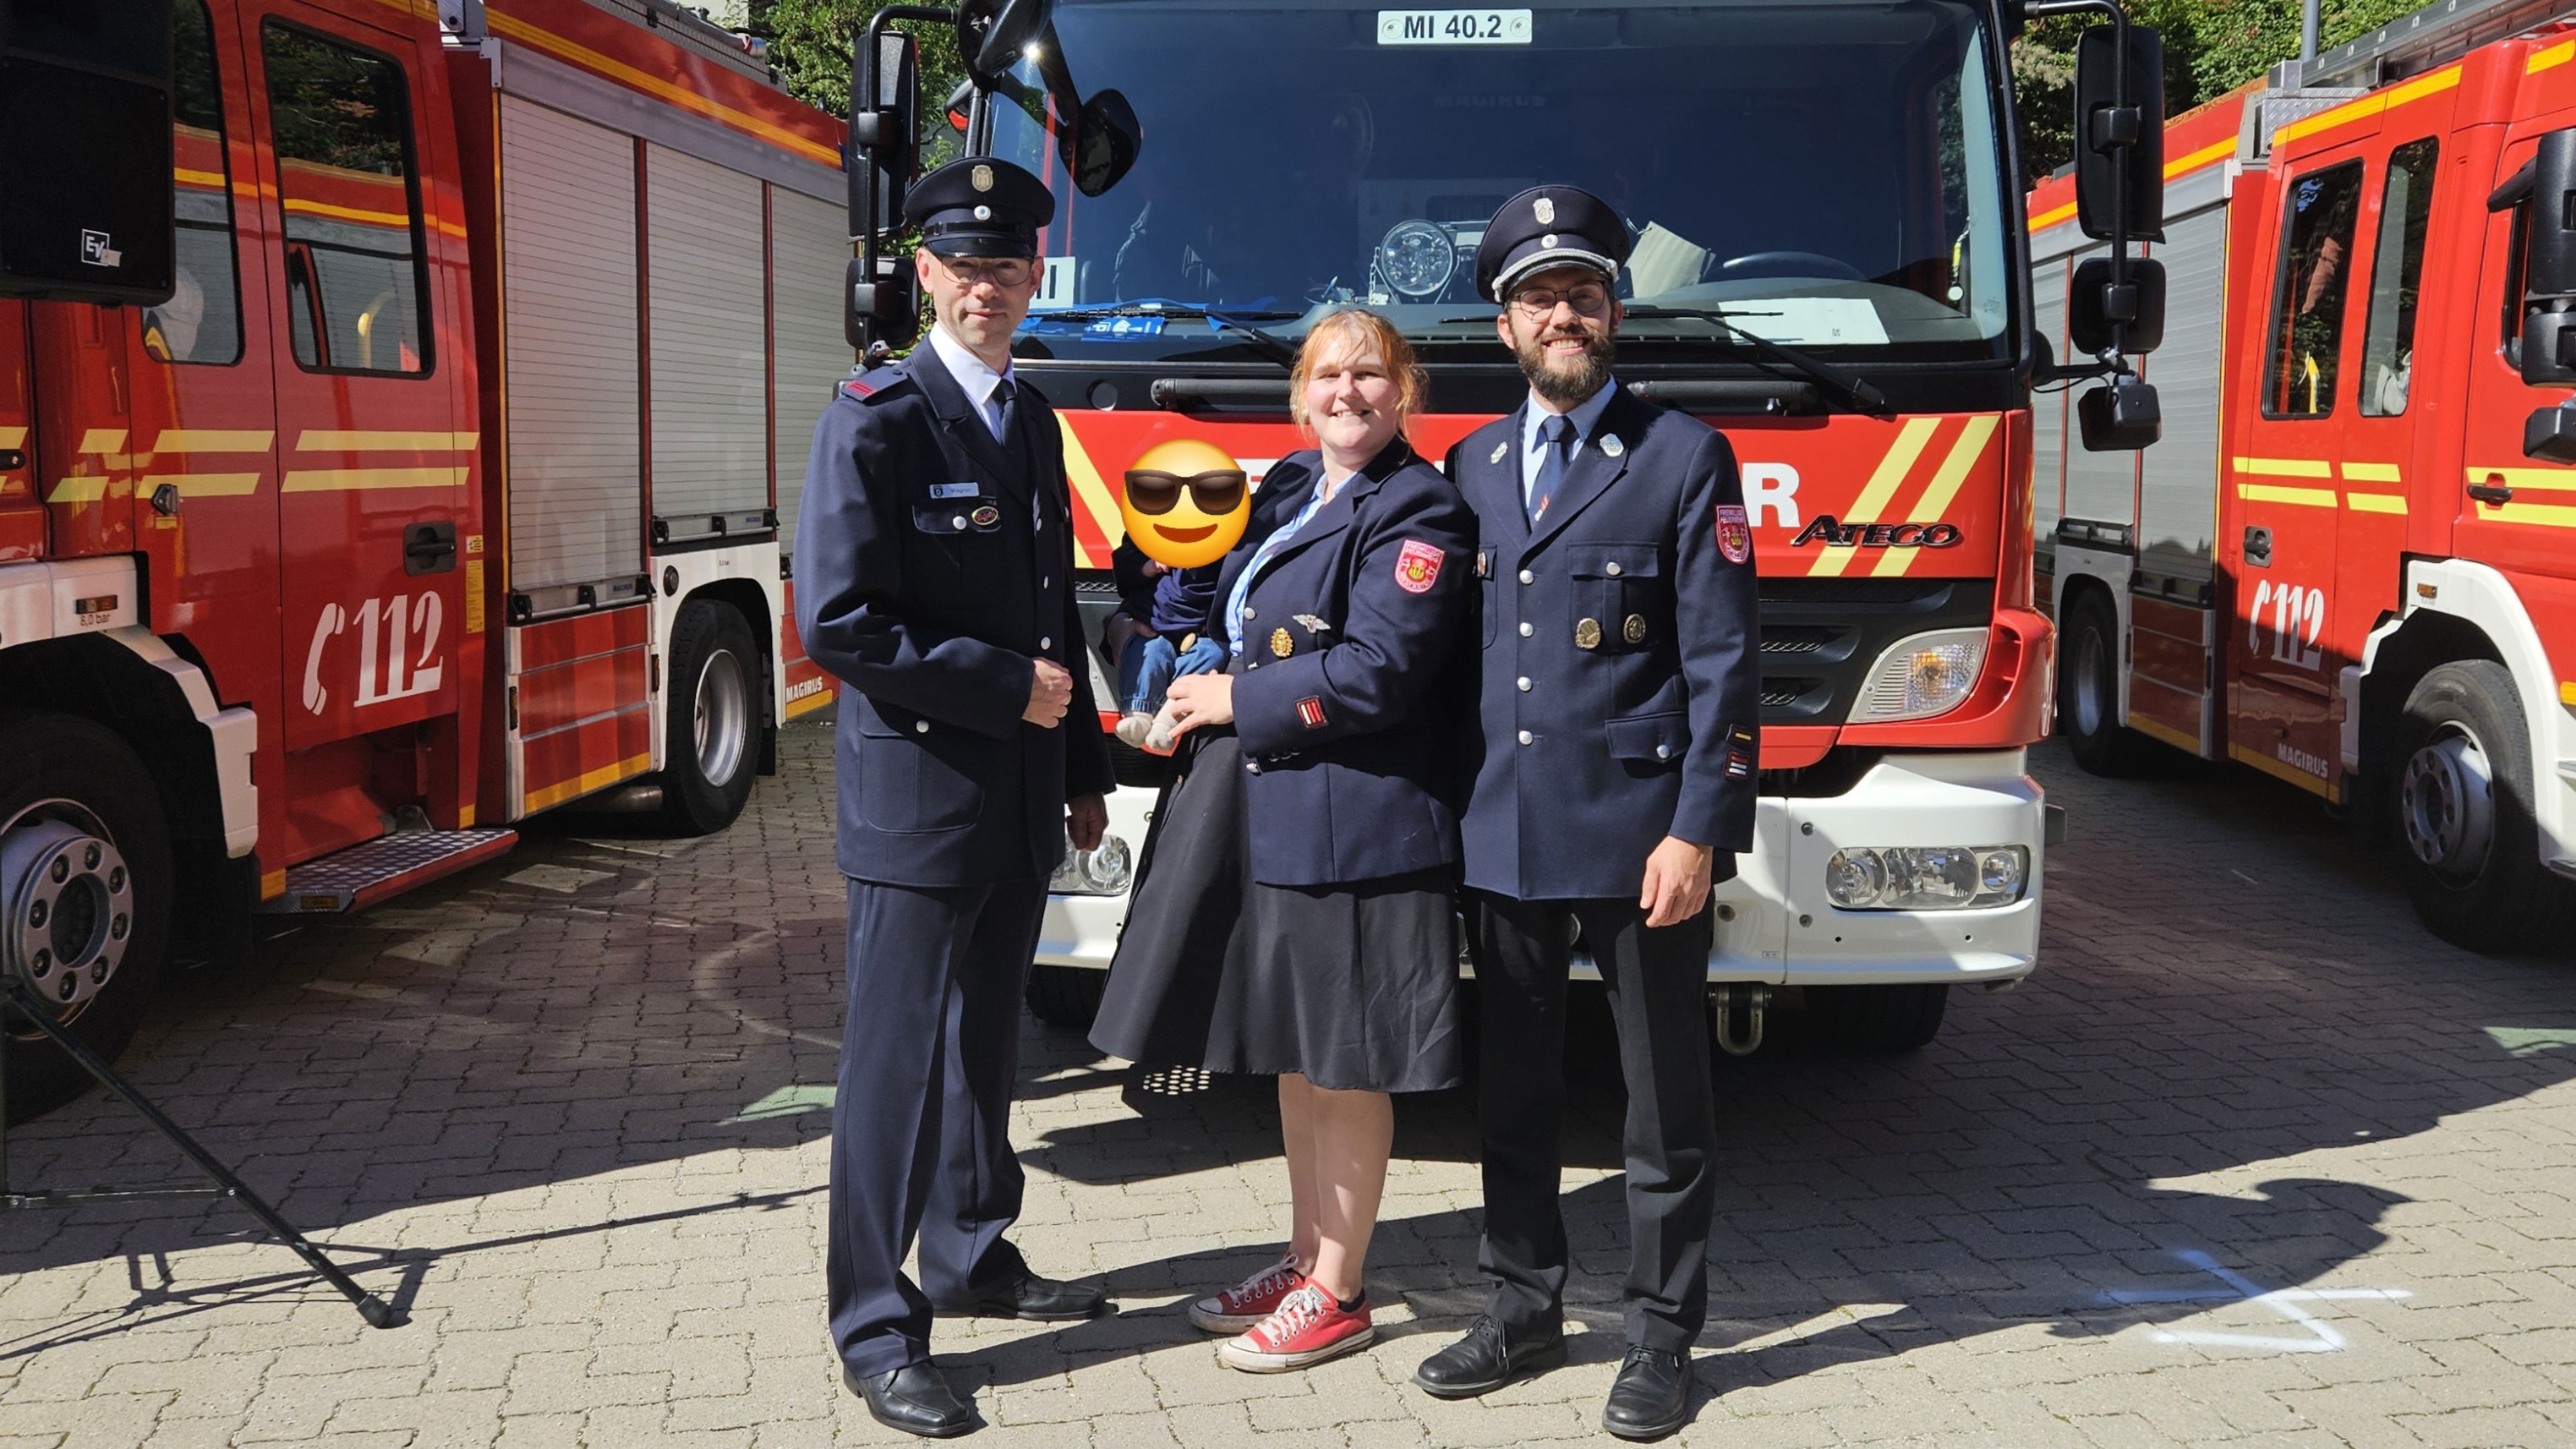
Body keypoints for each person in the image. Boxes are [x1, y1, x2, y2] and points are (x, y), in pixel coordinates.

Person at [1413, 185, 1761, 1441]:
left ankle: (1661, 1336)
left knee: (1660, 1104)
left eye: (1581, 294)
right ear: (1501, 326)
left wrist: (1695, 829)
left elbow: (1723, 662)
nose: (1562, 315)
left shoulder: (1680, 455)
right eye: (1536, 299)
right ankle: (1520, 1302)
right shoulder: (1470, 463)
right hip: (1500, 824)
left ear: (1613, 313)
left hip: (1635, 833)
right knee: (1509, 1089)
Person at [793, 154, 1117, 1441]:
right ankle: (875, 1321)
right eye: (963, 264)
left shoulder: (1029, 419)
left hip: (1020, 790)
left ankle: (973, 1249)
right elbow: (837, 621)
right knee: (892, 1068)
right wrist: (1004, 689)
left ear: (1035, 273)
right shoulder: (873, 416)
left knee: (987, 1040)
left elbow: (1054, 614)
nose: (987, 285)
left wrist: (1083, 767)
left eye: (1007, 264)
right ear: (922, 272)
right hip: (919, 794)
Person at [1087, 307, 1474, 1373]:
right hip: (1286, 809)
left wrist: (1232, 697)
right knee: (1300, 1056)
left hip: (1361, 820)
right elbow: (1220, 598)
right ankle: (1308, 1256)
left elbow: (1378, 674)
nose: (1345, 392)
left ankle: (1340, 1290)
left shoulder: (1422, 510)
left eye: (1368, 374)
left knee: (1347, 1062)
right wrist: (1150, 598)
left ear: (1405, 394)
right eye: (1325, 376)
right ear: (1299, 396)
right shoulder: (1295, 490)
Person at [1107, 537, 1225, 746]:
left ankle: (1167, 720)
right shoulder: (1152, 530)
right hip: (1154, 621)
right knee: (1150, 650)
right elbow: (1125, 563)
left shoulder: (1231, 538)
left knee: (1212, 654)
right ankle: (1139, 715)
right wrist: (1147, 566)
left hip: (1206, 628)